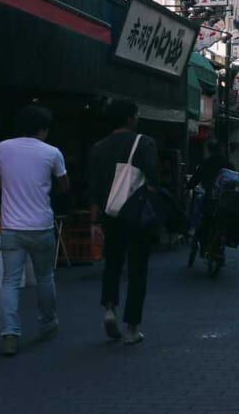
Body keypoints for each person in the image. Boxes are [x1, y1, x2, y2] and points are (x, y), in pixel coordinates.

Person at [0, 105, 69, 356]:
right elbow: (64, 184)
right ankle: (48, 323)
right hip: (41, 225)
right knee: (45, 277)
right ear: (44, 129)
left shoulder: (2, 148)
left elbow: (0, 181)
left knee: (10, 282)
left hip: (11, 227)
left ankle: (9, 335)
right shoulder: (52, 152)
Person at [88, 98, 160, 345]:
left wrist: (94, 223)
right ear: (130, 119)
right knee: (138, 269)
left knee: (113, 263)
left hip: (110, 214)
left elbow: (94, 189)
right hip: (137, 214)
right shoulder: (145, 143)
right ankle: (131, 328)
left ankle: (109, 309)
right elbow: (152, 178)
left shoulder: (99, 148)